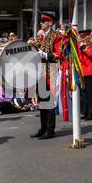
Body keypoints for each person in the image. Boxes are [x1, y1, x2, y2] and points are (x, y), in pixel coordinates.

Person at [30, 12, 63, 140]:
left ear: (50, 23)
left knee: (49, 102)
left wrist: (44, 55)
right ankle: (43, 128)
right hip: (40, 71)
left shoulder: (56, 36)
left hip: (51, 71)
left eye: (43, 21)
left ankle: (50, 130)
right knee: (42, 102)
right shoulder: (42, 37)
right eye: (41, 21)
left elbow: (59, 54)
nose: (41, 23)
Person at [79, 30, 92, 120]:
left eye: (84, 37)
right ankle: (85, 112)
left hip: (90, 72)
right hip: (81, 71)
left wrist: (83, 47)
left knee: (90, 93)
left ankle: (91, 113)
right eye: (82, 38)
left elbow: (91, 54)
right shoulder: (81, 45)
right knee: (84, 94)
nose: (83, 39)